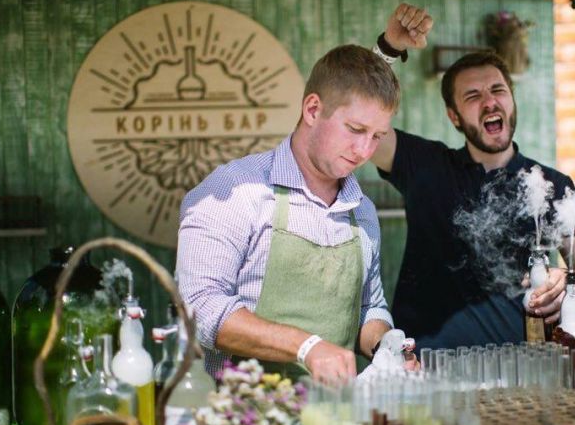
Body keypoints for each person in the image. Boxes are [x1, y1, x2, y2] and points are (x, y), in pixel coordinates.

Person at [370, 4, 575, 349]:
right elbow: (360, 112)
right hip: (427, 369)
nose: (489, 103)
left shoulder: (553, 187)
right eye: (473, 96)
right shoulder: (425, 166)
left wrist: (569, 281)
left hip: (524, 370)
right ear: (454, 116)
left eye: (498, 91)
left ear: (512, 101)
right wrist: (389, 48)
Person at [177, 45, 413, 383]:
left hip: (332, 420)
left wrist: (385, 345)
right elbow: (198, 309)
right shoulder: (236, 191)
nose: (365, 151)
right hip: (244, 420)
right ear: (313, 109)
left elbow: (367, 309)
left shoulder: (361, 211)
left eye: (377, 136)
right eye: (355, 130)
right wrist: (306, 346)